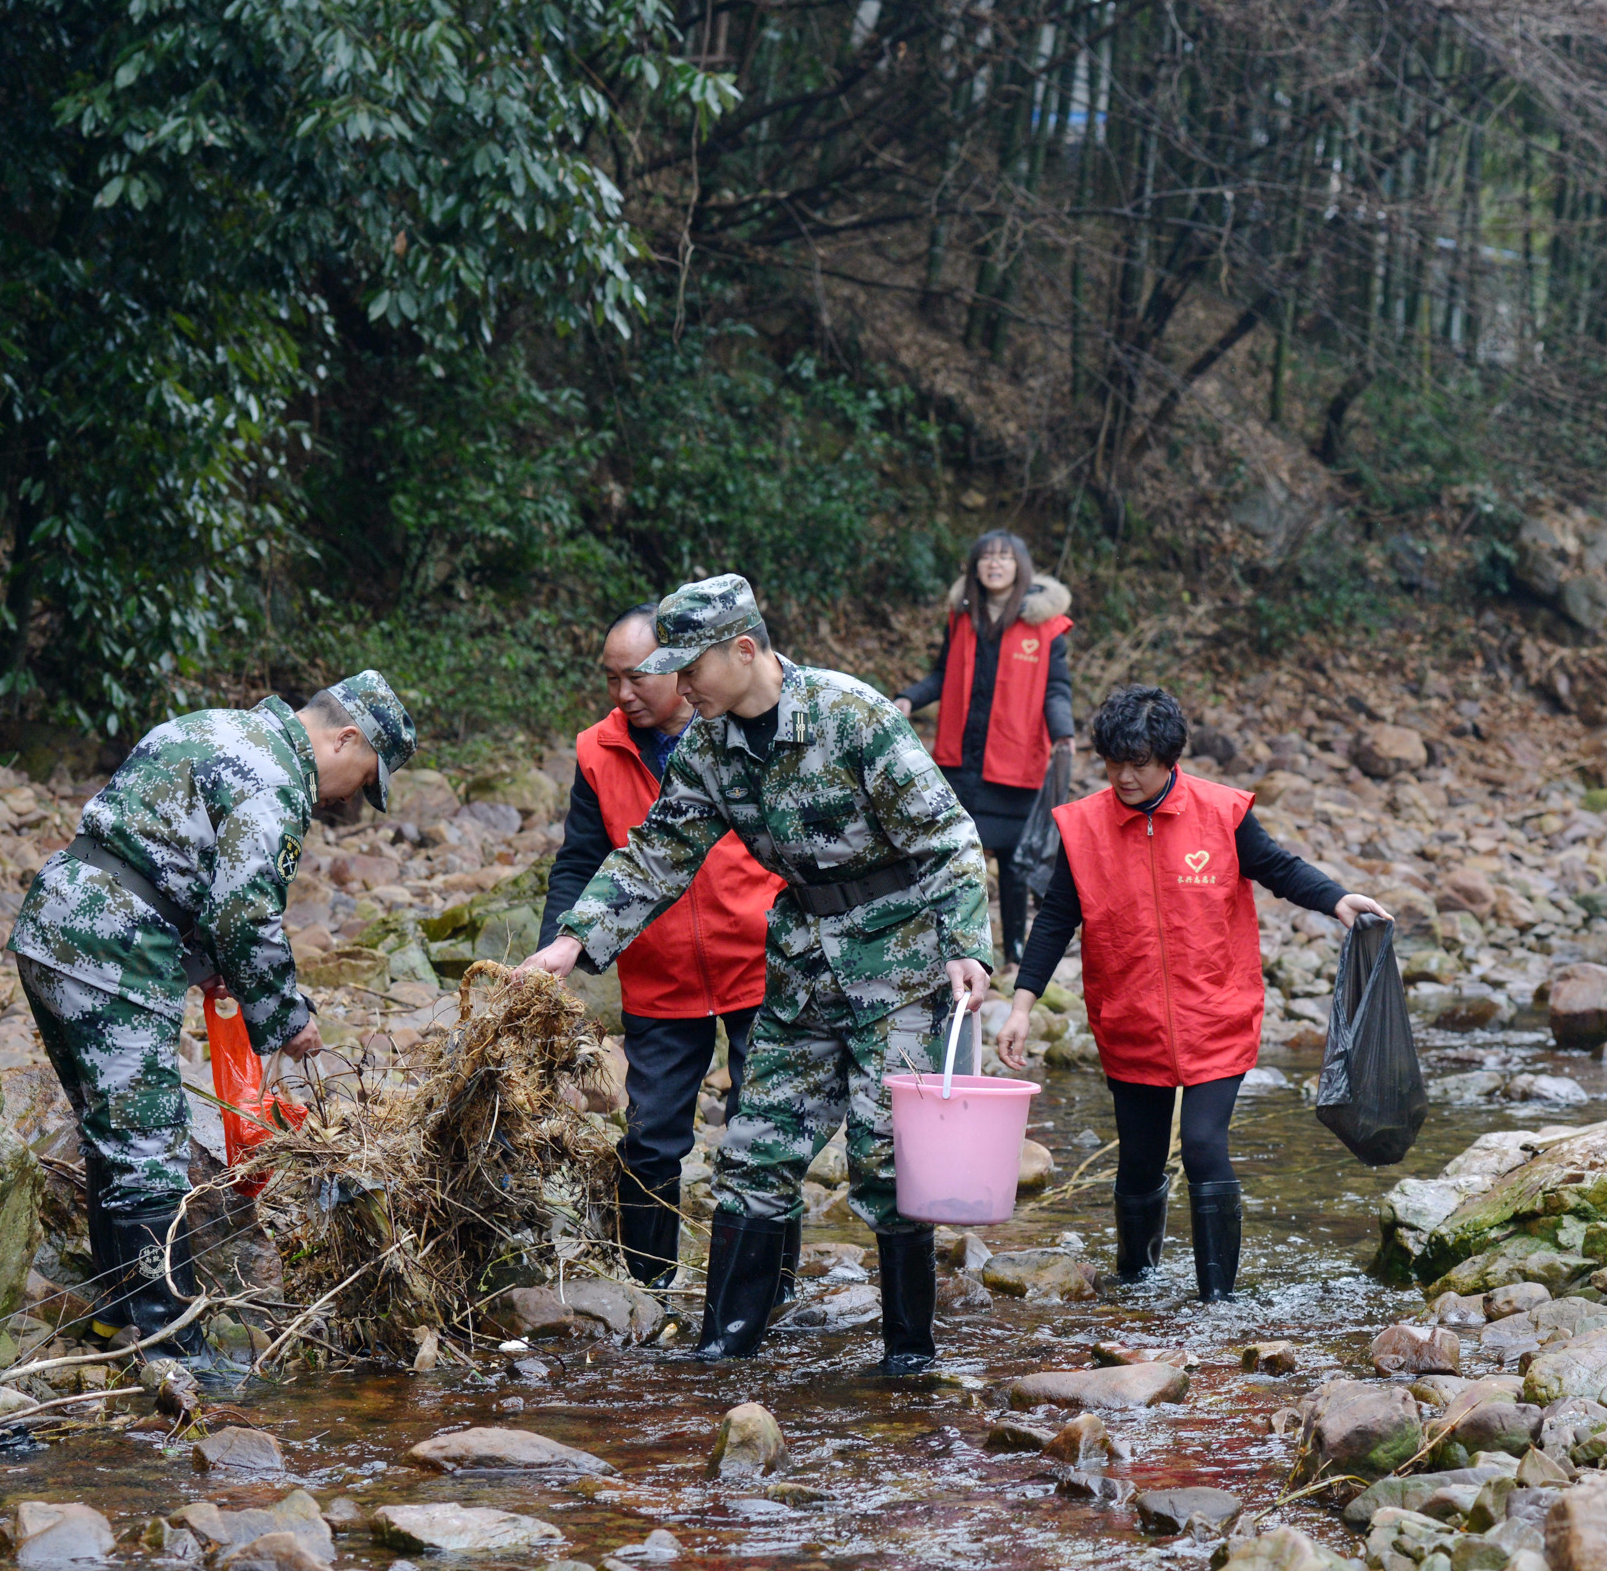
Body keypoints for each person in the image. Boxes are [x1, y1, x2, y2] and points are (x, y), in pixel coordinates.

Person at [519, 575, 992, 1376]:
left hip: (900, 964)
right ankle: (724, 1349)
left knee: (887, 1162)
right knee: (752, 1150)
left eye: (689, 667)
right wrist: (572, 943)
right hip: (803, 965)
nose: (678, 685)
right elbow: (658, 851)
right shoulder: (708, 744)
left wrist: (968, 946)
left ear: (744, 650)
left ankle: (909, 1356)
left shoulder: (852, 715)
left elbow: (945, 836)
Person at [10, 671, 414, 1380]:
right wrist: (285, 1018)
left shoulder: (213, 728)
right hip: (115, 953)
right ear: (346, 737)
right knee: (147, 1149)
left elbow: (159, 849)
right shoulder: (279, 778)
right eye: (363, 777)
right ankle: (169, 1343)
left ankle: (120, 1307)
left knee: (110, 1132)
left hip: (54, 926)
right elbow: (245, 910)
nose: (349, 798)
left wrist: (205, 962)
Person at [994, 686, 1387, 1302]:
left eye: (1139, 763)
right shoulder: (1084, 827)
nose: (1124, 776)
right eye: (1113, 763)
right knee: (1140, 1164)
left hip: (1215, 1012)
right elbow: (1054, 921)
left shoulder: (1221, 812)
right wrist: (1021, 1005)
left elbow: (1278, 868)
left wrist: (1337, 899)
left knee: (1204, 1146)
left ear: (1170, 758)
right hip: (1131, 1019)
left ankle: (1216, 1303)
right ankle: (1137, 1284)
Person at [539, 605, 784, 1289]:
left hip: (757, 963)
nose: (623, 695)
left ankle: (774, 1289)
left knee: (762, 1132)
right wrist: (555, 948)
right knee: (650, 1141)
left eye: (638, 678)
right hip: (659, 973)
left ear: (681, 666)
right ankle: (646, 1291)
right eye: (611, 679)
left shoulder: (738, 732)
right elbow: (583, 860)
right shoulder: (599, 750)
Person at [894, 530, 1074, 962]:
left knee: (1013, 865)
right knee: (954, 856)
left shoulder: (1045, 627)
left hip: (1013, 762)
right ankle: (955, 950)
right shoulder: (962, 618)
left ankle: (1014, 952)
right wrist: (908, 699)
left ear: (1020, 567)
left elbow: (1057, 689)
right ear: (975, 567)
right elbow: (943, 674)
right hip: (960, 761)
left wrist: (1063, 734)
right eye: (987, 558)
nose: (995, 565)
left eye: (1004, 558)